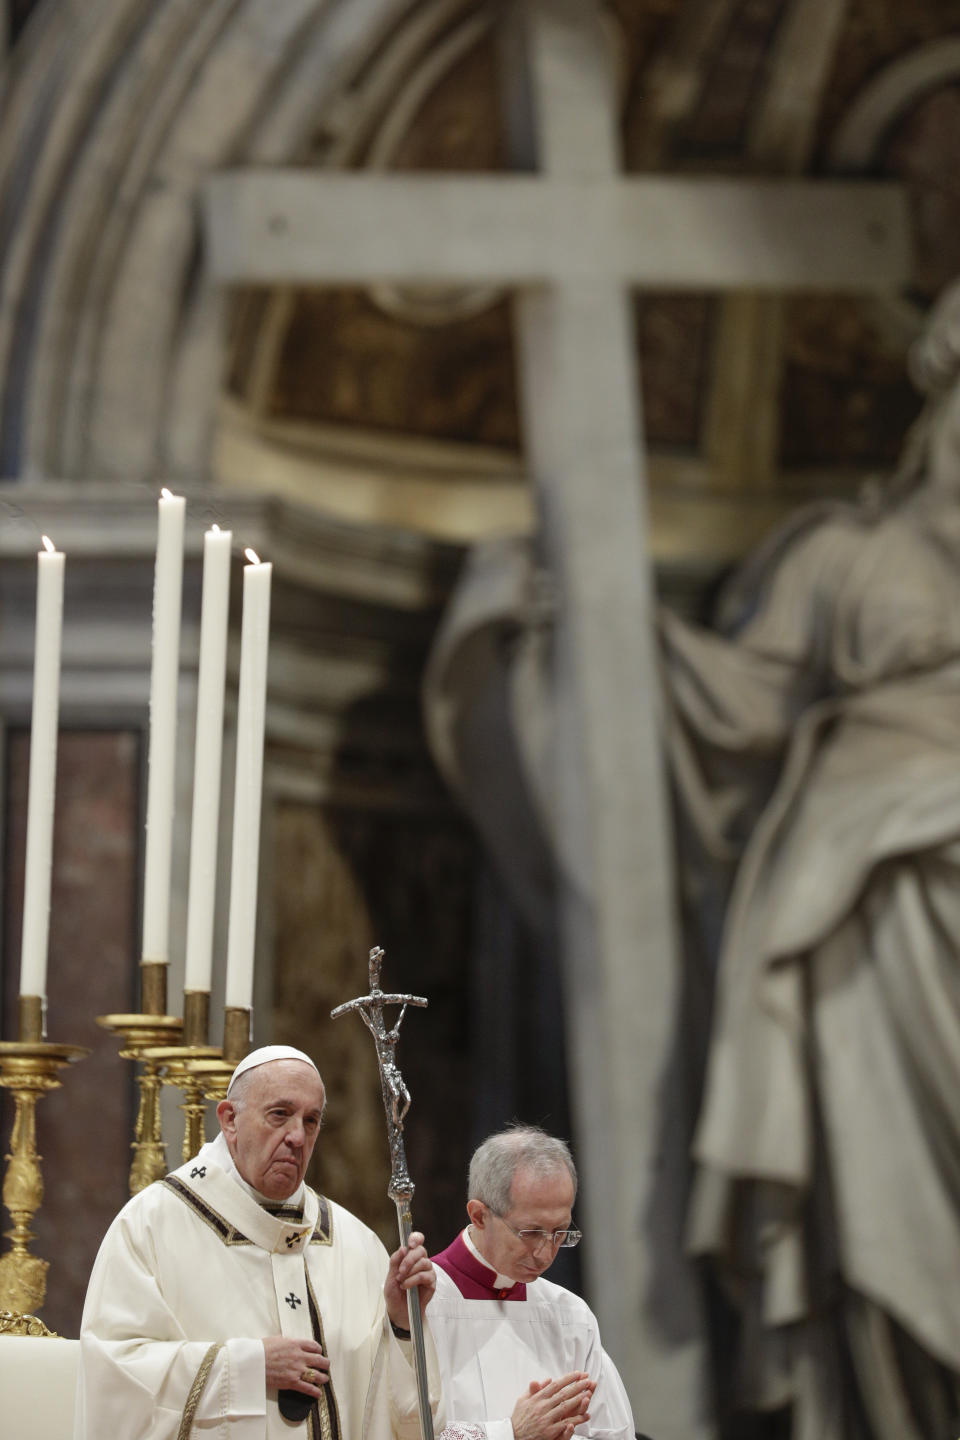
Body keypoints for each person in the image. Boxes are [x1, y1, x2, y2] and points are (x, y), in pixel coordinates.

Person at [422, 279, 960, 1437]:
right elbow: (734, 712)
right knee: (883, 1213)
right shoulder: (848, 558)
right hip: (870, 912)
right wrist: (608, 629)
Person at [74, 1044, 444, 1440]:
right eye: (280, 1115)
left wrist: (401, 1324)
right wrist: (248, 1366)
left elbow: (393, 1411)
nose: (297, 1137)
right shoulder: (152, 1224)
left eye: (312, 1120)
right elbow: (113, 1376)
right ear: (229, 1119)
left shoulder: (356, 1243)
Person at [428, 1126, 635, 1440]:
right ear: (479, 1215)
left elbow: (613, 1433)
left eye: (560, 1232)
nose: (545, 1253)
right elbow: (391, 1429)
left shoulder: (571, 1316)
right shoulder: (416, 1308)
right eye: (531, 1232)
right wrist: (510, 1434)